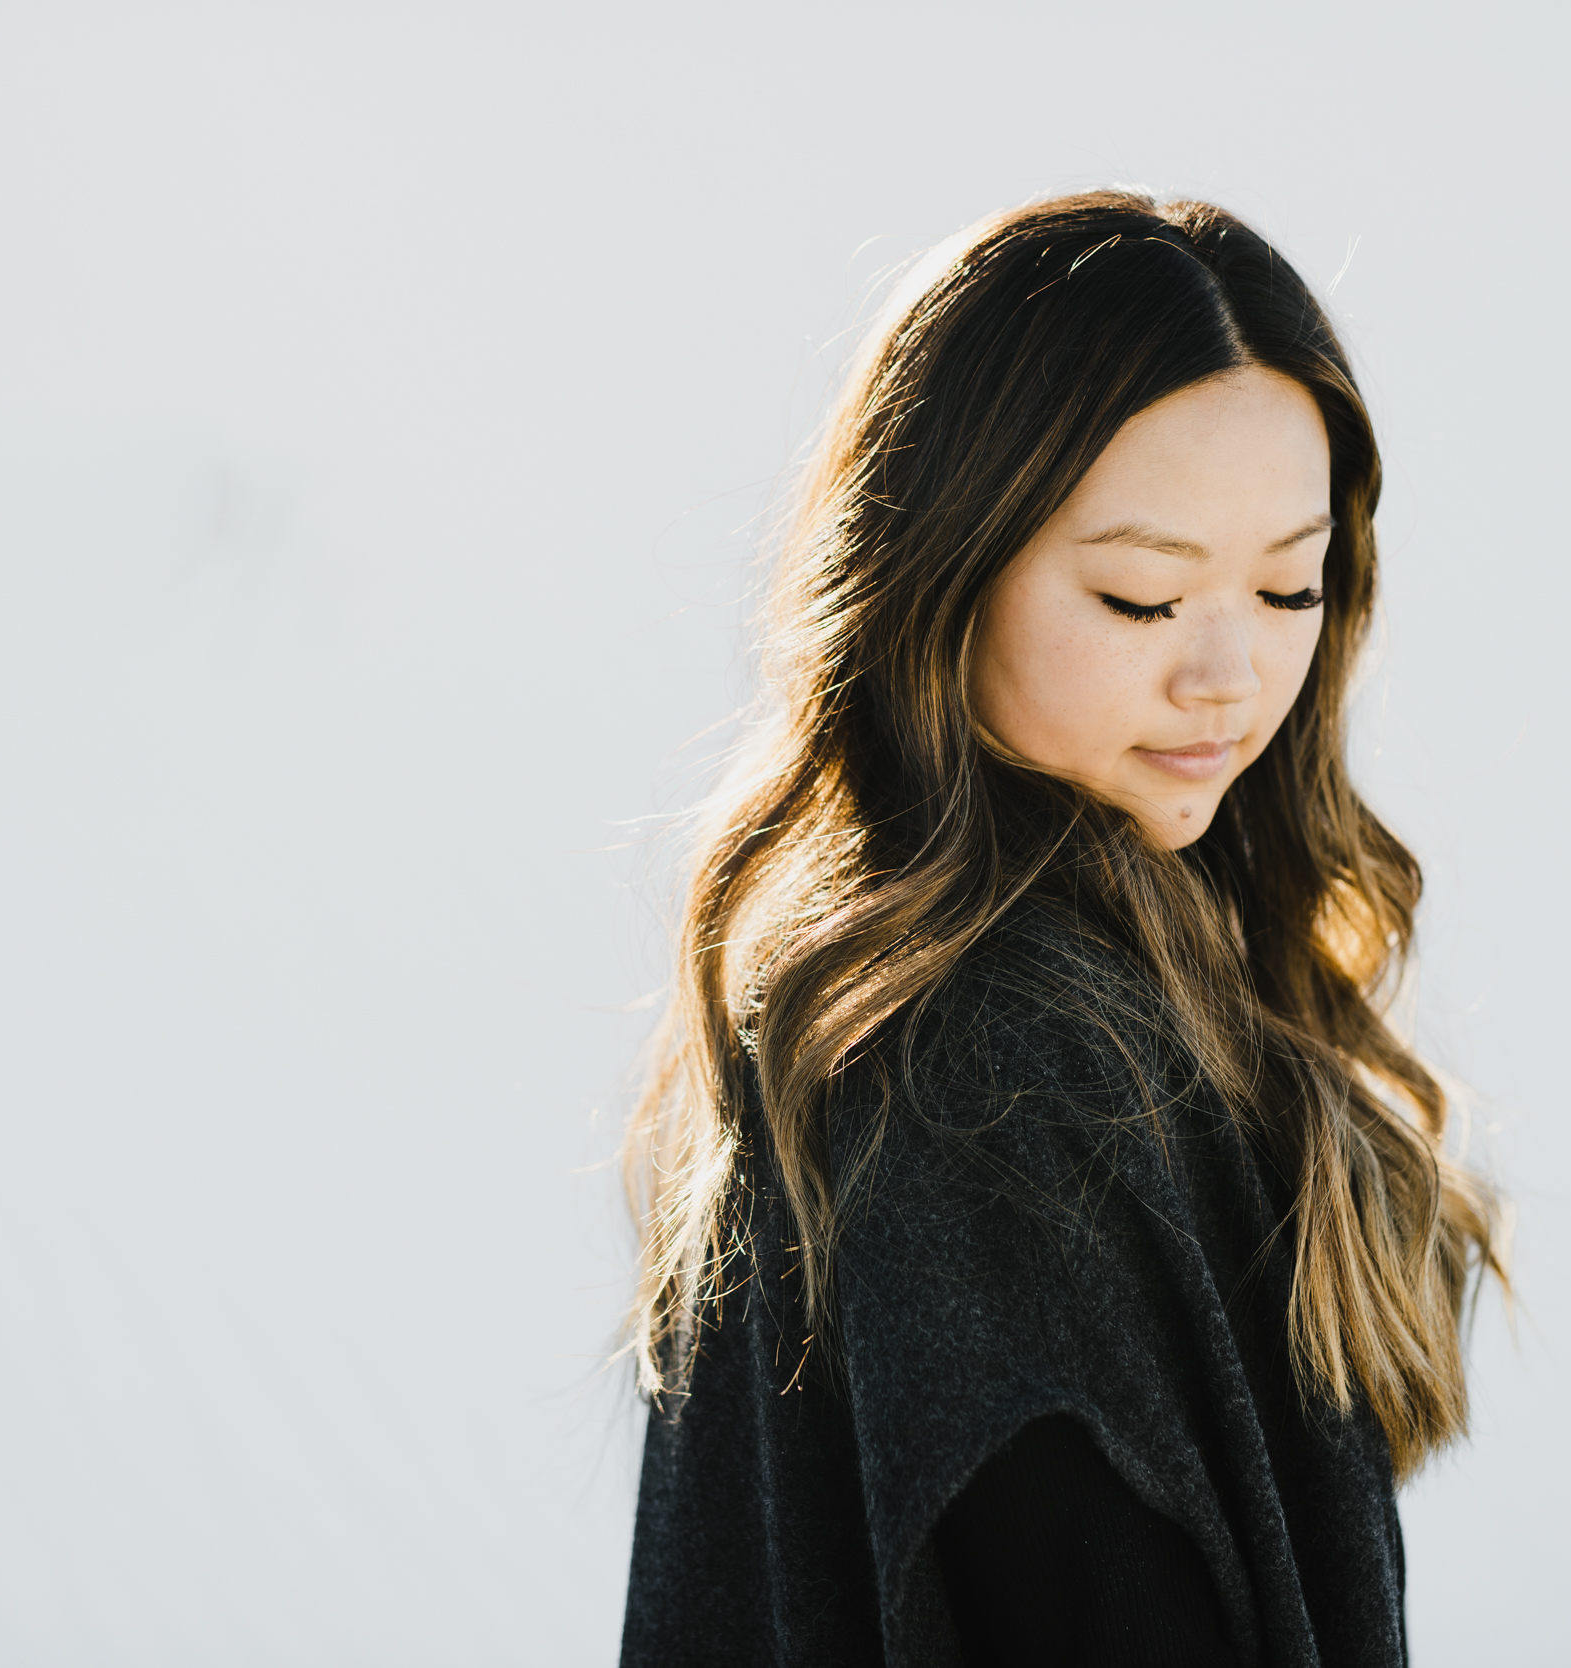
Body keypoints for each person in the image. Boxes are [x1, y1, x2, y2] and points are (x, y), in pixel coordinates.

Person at [616, 190, 1505, 1668]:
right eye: (1142, 597)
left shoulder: (1147, 981)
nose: (1229, 673)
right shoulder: (984, 1053)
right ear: (944, 579)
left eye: (1292, 583)